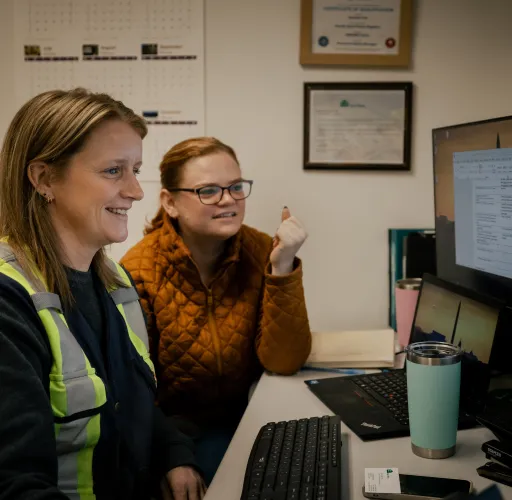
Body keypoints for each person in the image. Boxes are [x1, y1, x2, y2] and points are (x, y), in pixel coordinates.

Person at [0, 88, 205, 500]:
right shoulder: (9, 301)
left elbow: (127, 401)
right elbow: (14, 486)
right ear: (43, 179)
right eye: (114, 171)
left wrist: (173, 453)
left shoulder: (113, 281)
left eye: (135, 169)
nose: (136, 190)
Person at [120, 136, 312, 484]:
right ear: (171, 202)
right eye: (208, 190)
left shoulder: (260, 250)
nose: (228, 200)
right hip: (171, 432)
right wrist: (172, 456)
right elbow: (132, 391)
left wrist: (282, 267)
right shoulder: (139, 271)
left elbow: (284, 361)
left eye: (236, 187)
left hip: (248, 416)